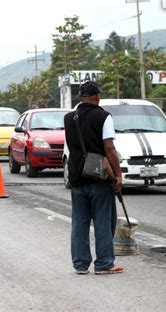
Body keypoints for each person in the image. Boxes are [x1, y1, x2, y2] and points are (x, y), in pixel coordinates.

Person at [63, 81, 123, 275]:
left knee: (79, 223)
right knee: (104, 221)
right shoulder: (103, 116)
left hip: (77, 175)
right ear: (97, 97)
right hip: (98, 176)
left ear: (81, 97)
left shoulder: (68, 118)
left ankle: (80, 264)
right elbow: (109, 148)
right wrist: (118, 174)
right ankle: (104, 263)